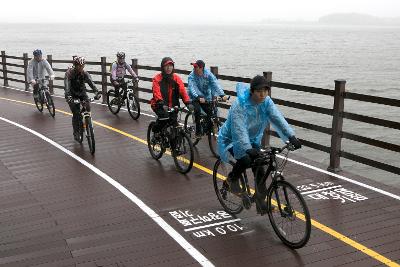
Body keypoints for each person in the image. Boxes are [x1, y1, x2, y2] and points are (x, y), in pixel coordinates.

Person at [217, 75, 302, 213]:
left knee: (261, 168)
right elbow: (239, 129)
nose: (262, 94)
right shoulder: (240, 105)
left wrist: (291, 136)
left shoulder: (266, 102)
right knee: (245, 159)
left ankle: (260, 202)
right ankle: (232, 181)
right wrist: (246, 148)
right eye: (258, 91)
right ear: (252, 91)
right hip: (231, 138)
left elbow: (277, 117)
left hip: (252, 139)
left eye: (265, 90)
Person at [150, 57, 193, 134]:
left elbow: (183, 91)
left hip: (173, 106)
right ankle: (155, 130)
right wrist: (161, 103)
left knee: (174, 126)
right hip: (159, 105)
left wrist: (188, 102)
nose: (168, 68)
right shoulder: (157, 79)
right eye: (166, 66)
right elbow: (156, 93)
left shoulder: (176, 78)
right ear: (162, 67)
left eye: (170, 65)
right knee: (164, 118)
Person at [64, 56, 101, 141]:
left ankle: (88, 122)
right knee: (76, 114)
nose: (81, 68)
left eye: (83, 66)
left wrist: (96, 92)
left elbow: (91, 83)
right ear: (75, 65)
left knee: (87, 107)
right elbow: (67, 87)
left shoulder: (84, 73)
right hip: (71, 95)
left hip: (82, 93)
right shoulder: (69, 73)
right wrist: (69, 96)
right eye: (79, 66)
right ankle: (76, 132)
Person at [187, 59, 227, 138]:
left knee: (210, 111)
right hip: (194, 97)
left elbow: (215, 83)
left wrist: (222, 94)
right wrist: (198, 97)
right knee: (197, 110)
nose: (194, 69)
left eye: (196, 67)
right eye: (194, 67)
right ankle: (198, 131)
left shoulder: (208, 74)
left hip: (205, 97)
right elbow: (192, 88)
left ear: (202, 68)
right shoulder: (191, 76)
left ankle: (208, 129)